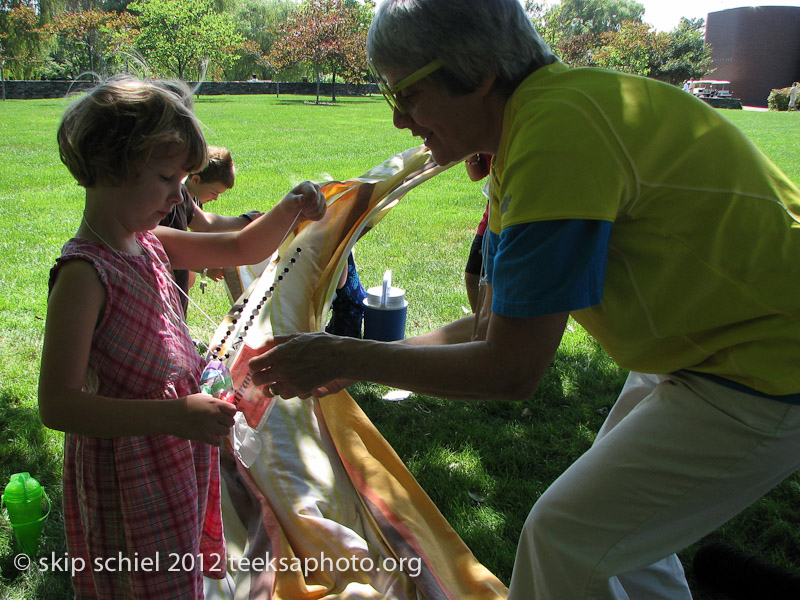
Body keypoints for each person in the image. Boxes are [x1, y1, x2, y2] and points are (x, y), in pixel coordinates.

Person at [248, 1, 800, 599]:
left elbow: (510, 370)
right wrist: (351, 358)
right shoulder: (532, 125)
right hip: (704, 351)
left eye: (405, 93)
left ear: (477, 71)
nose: (400, 122)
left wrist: (341, 358)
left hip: (767, 362)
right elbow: (490, 327)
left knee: (563, 537)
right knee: (614, 539)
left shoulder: (558, 131)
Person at [39, 75, 325, 598]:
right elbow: (57, 405)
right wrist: (172, 415)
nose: (179, 195)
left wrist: (290, 207)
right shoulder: (85, 274)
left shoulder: (150, 241)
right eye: (168, 177)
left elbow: (238, 246)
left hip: (171, 456)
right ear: (111, 167)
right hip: (126, 475)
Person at [159, 145, 263, 314]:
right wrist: (205, 269)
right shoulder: (174, 203)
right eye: (214, 192)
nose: (215, 198)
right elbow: (171, 252)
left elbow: (207, 223)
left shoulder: (186, 197)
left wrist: (246, 220)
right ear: (195, 180)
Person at [463, 153, 491, 312]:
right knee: (473, 276)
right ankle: (480, 325)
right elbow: (477, 175)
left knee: (496, 281)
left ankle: (488, 326)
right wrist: (471, 155)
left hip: (514, 215)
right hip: (491, 216)